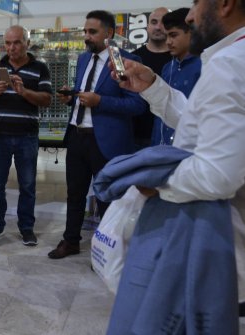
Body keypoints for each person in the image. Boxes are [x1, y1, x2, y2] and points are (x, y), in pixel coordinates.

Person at [111, 0, 245, 319]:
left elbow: (216, 175)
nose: (190, 16)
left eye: (197, 3)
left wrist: (156, 181)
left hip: (221, 251)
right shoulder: (229, 58)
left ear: (225, 4)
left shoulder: (231, 62)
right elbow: (197, 123)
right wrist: (155, 89)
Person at [49, 10, 146, 259]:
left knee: (107, 198)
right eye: (85, 31)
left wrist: (100, 101)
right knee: (74, 194)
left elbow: (137, 105)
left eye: (92, 32)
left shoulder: (124, 61)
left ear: (109, 33)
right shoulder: (83, 59)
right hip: (77, 135)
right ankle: (70, 241)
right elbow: (84, 93)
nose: (86, 36)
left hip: (106, 141)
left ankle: (107, 249)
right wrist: (70, 97)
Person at [0, 25, 52, 246]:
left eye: (17, 42)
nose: (12, 47)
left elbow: (47, 99)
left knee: (28, 185)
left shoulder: (40, 68)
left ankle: (26, 227)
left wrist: (24, 92)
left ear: (27, 43)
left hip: (26, 136)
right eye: (8, 43)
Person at [150, 8, 201, 146]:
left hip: (190, 147)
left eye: (173, 35)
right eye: (166, 36)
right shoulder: (168, 68)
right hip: (162, 148)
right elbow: (160, 113)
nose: (168, 42)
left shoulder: (204, 65)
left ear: (190, 33)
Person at [132, 7, 172, 148]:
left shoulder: (179, 59)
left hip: (170, 134)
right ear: (147, 27)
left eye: (164, 23)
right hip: (136, 134)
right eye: (154, 22)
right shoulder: (133, 57)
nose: (158, 27)